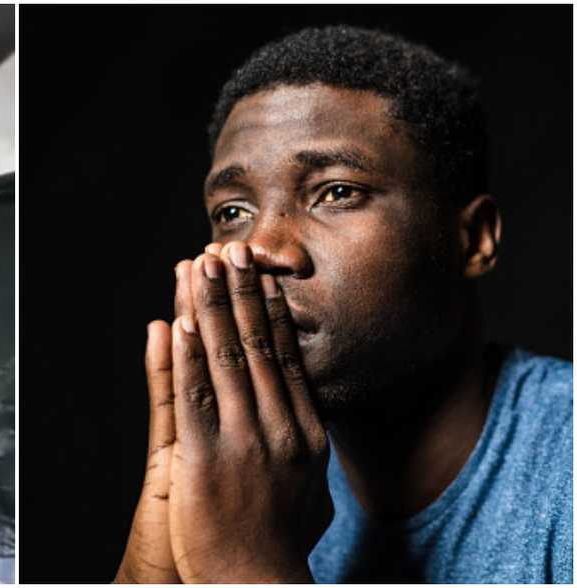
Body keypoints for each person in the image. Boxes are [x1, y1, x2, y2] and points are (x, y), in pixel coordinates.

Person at [113, 25, 572, 584]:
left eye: (336, 192)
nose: (262, 250)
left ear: (473, 238)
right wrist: (152, 569)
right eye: (233, 211)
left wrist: (245, 565)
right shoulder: (248, 478)